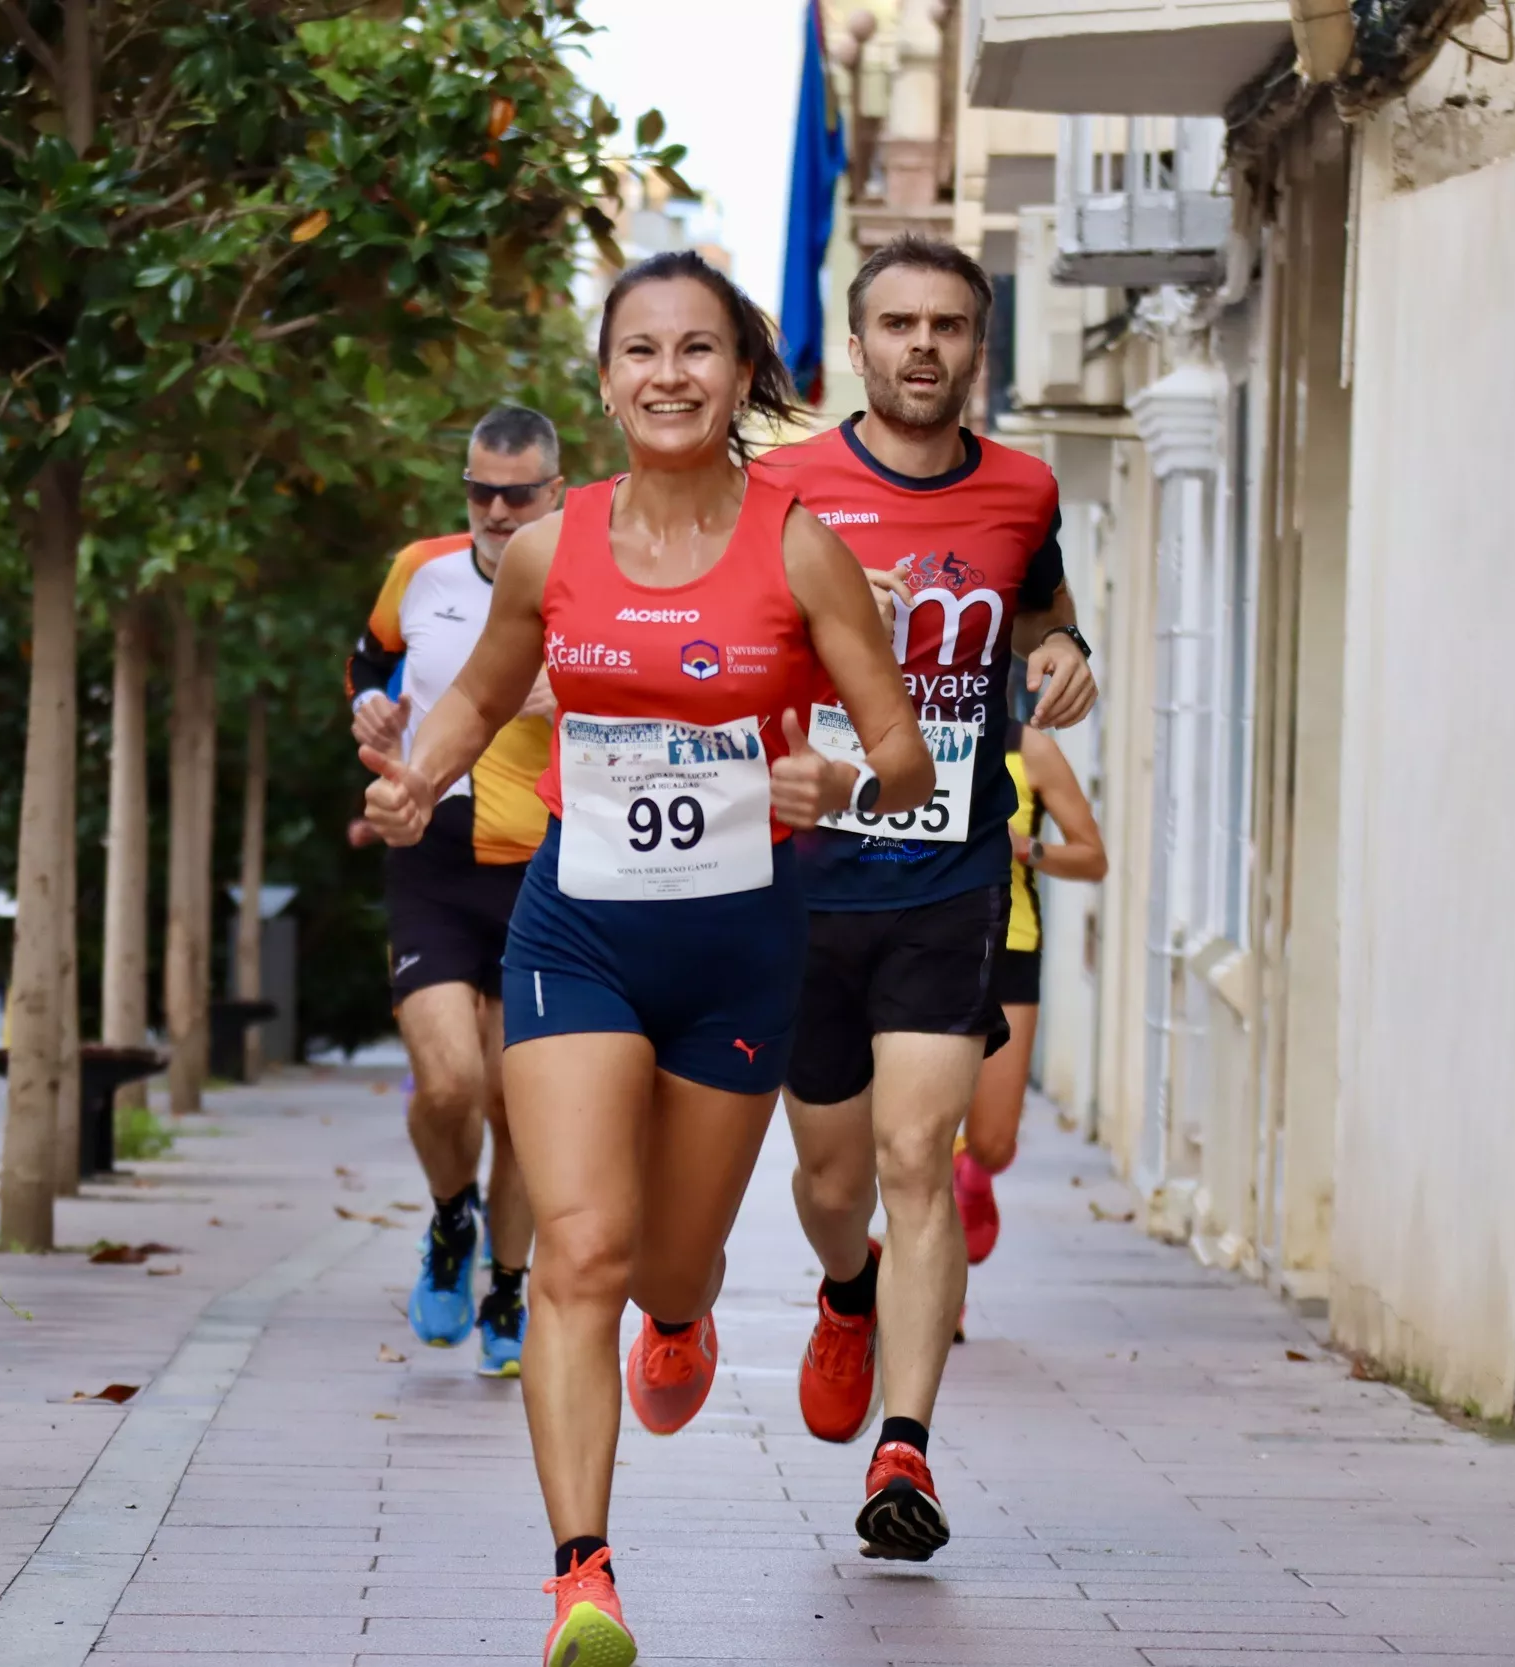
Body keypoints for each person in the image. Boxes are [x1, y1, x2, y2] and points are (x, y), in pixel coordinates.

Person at [361, 250, 933, 1667]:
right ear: (605, 377)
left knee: (669, 1264)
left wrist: (838, 784)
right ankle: (582, 1578)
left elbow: (906, 751)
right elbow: (488, 687)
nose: (667, 374)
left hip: (741, 946)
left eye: (697, 349)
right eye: (639, 350)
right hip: (581, 927)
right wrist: (415, 778)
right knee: (581, 1248)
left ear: (743, 374)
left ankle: (691, 1313)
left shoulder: (801, 546)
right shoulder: (560, 545)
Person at [757, 232, 1099, 1563]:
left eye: (947, 325)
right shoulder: (782, 486)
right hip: (804, 884)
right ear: (857, 345)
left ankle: (906, 1448)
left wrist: (1065, 650)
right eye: (897, 323)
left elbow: (1040, 608)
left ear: (977, 344)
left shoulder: (1022, 485)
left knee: (919, 1159)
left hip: (952, 874)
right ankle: (845, 1290)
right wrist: (827, 619)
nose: (922, 346)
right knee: (831, 1174)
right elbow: (725, 641)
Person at [344, 405, 564, 1377]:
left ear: (554, 490)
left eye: (518, 493)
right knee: (450, 1083)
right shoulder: (421, 569)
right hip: (432, 849)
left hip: (545, 860)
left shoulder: (587, 570)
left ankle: (509, 1282)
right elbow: (368, 654)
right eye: (481, 490)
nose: (497, 509)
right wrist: (371, 707)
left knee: (518, 1103)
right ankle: (449, 1218)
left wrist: (579, 693)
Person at [954, 719, 1107, 1263]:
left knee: (993, 1143)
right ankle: (935, 1286)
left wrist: (1028, 849)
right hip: (919, 947)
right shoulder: (894, 730)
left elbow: (1093, 856)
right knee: (917, 1144)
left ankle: (971, 1178)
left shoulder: (1030, 751)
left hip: (1009, 946)